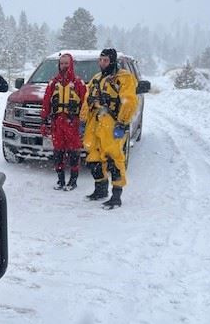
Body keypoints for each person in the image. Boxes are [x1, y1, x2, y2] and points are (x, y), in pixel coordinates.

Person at [80, 48, 138, 209]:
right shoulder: (97, 79)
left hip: (111, 123)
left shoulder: (124, 78)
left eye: (105, 60)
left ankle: (116, 195)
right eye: (100, 60)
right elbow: (87, 98)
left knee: (114, 159)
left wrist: (122, 122)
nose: (102, 63)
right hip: (95, 122)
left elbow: (129, 101)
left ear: (112, 61)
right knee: (93, 158)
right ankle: (100, 190)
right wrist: (83, 119)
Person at [40, 53, 86, 191]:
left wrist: (84, 123)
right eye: (62, 63)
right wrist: (43, 121)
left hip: (73, 123)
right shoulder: (53, 83)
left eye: (66, 63)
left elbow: (84, 105)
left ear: (71, 64)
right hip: (57, 124)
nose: (64, 66)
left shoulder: (78, 83)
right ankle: (60, 180)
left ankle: (73, 180)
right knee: (58, 152)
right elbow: (46, 103)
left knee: (73, 153)